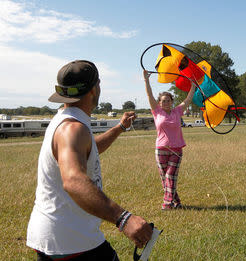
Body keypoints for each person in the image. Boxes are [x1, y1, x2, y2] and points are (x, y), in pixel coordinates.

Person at [27, 60, 153, 260]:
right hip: (71, 240)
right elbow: (73, 180)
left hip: (59, 235)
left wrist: (119, 128)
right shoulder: (72, 129)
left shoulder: (66, 119)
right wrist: (123, 219)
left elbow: (87, 149)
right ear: (94, 89)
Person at [143, 70, 196, 210]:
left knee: (170, 175)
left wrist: (193, 86)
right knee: (165, 179)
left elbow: (188, 99)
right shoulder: (157, 112)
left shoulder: (178, 111)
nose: (166, 103)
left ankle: (167, 204)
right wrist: (146, 80)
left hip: (176, 149)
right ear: (159, 103)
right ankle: (177, 202)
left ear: (172, 102)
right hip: (161, 149)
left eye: (168, 100)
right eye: (163, 101)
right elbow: (149, 95)